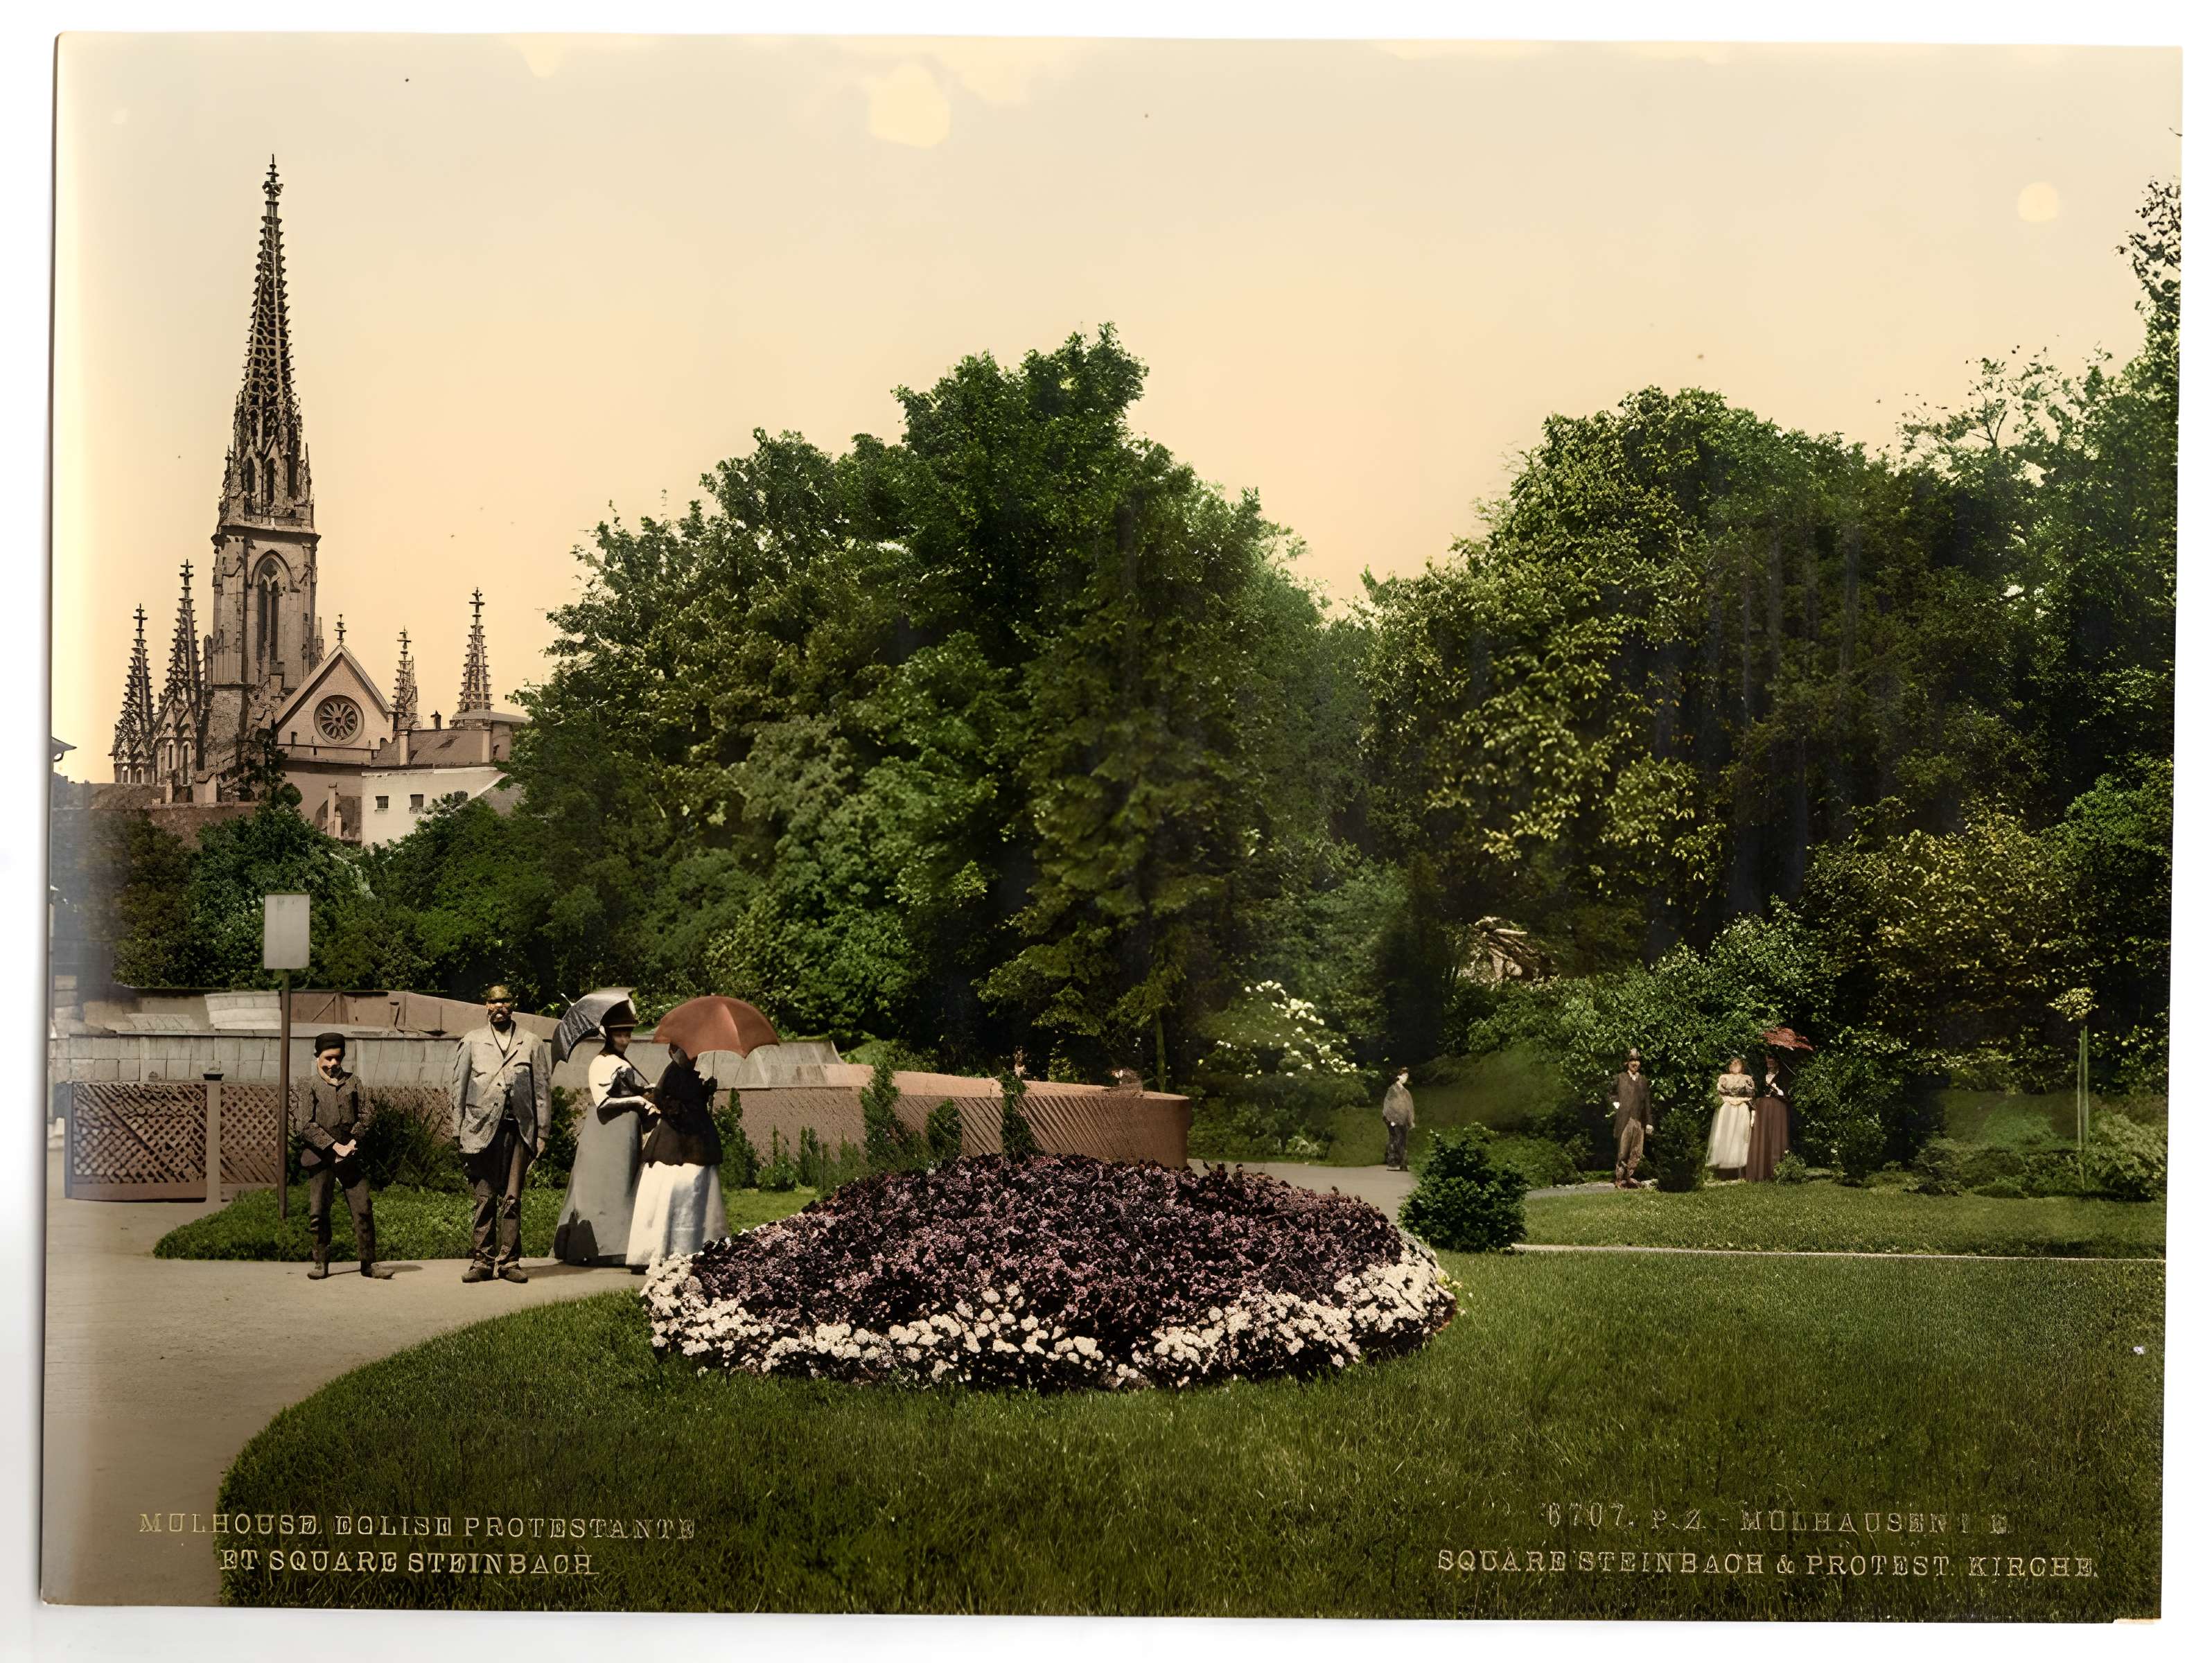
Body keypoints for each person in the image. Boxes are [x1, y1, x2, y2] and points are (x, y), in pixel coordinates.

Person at [449, 984, 553, 1285]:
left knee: (512, 1198)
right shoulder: (473, 1041)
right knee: (484, 1196)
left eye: (505, 1001)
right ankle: (482, 1261)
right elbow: (458, 1088)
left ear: (514, 1004)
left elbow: (542, 1093)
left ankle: (509, 1262)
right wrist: (457, 1130)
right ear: (485, 1005)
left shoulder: (531, 1042)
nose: (499, 1007)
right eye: (494, 1002)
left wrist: (542, 1133)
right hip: (481, 1130)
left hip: (519, 1131)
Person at [552, 1016, 653, 1266]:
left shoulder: (622, 1061)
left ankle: (620, 1246)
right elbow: (603, 1101)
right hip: (607, 1129)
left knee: (623, 1185)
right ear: (608, 1035)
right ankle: (593, 1248)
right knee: (602, 1187)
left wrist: (645, 1089)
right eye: (619, 1035)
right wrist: (638, 1101)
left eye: (628, 1034)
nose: (625, 1040)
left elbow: (628, 1089)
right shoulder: (601, 1062)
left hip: (626, 1131)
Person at [294, 1032, 392, 1280]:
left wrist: (353, 1143)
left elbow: (367, 1115)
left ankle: (369, 1264)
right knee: (318, 1211)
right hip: (320, 1158)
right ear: (317, 1056)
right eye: (328, 1058)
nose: (333, 1064)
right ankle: (320, 1263)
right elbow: (304, 1125)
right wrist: (335, 1147)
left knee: (363, 1208)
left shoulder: (354, 1082)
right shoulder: (308, 1086)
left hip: (351, 1156)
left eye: (338, 1058)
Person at [624, 1040, 726, 1271]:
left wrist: (704, 1091)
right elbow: (666, 1100)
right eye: (686, 1054)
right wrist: (683, 1104)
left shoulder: (685, 1074)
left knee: (697, 1187)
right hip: (676, 1141)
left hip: (694, 1140)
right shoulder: (672, 1073)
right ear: (672, 1053)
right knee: (673, 1189)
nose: (692, 1058)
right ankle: (662, 1249)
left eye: (695, 1054)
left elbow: (689, 1100)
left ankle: (697, 1246)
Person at [1745, 1050, 1792, 1182]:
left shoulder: (1783, 1076)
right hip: (1763, 1108)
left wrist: (1777, 1089)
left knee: (1775, 1136)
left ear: (1777, 1062)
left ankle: (1775, 1171)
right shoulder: (1762, 1076)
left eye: (1771, 1061)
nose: (1769, 1064)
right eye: (1767, 1062)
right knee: (1763, 1137)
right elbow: (1756, 1094)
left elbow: (1786, 1095)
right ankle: (1760, 1171)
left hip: (1777, 1108)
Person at [1708, 1055, 1756, 1179]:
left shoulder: (1747, 1079)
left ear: (1742, 1066)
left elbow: (1751, 1094)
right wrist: (1727, 1100)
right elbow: (1720, 1093)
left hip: (1741, 1108)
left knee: (1741, 1135)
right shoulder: (1724, 1078)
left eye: (1738, 1064)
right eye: (1733, 1064)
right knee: (1726, 1134)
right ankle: (1724, 1168)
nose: (1735, 1067)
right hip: (1728, 1107)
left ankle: (1741, 1166)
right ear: (1729, 1067)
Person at [1611, 1049, 1653, 1188]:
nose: (1635, 1063)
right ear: (1627, 1063)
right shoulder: (1620, 1078)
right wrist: (1616, 1105)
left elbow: (1647, 1103)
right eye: (1632, 1060)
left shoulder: (1643, 1080)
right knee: (1623, 1150)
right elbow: (1609, 1093)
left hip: (1639, 1120)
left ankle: (1630, 1177)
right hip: (1625, 1120)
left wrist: (1649, 1123)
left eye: (1637, 1061)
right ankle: (1619, 1179)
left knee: (1637, 1151)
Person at [1381, 1069, 1416, 1171]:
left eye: (1407, 1076)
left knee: (1403, 1142)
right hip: (1393, 1120)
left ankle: (1403, 1164)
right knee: (1395, 1139)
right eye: (1404, 1076)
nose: (1406, 1078)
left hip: (1404, 1120)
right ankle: (1394, 1162)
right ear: (1399, 1076)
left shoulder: (1406, 1092)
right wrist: (1391, 1119)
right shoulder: (1392, 1090)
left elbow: (1409, 1107)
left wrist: (1411, 1120)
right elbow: (1388, 1105)